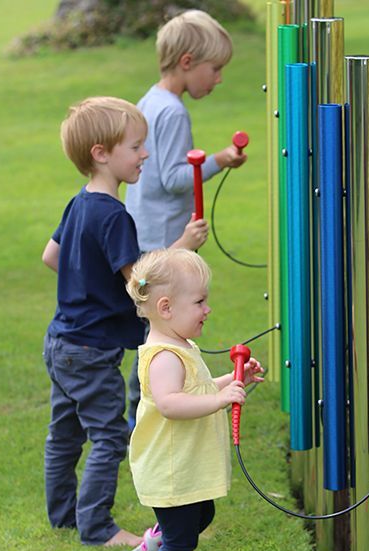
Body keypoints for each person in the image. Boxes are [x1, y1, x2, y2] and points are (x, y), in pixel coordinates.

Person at [41, 96, 189, 547]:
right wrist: (182, 246)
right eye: (136, 146)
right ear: (101, 154)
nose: (144, 154)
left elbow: (52, 257)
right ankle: (97, 528)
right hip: (92, 352)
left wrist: (88, 282)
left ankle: (64, 515)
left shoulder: (79, 204)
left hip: (61, 342)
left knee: (64, 434)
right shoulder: (114, 216)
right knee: (107, 436)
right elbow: (139, 283)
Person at [124, 9, 247, 430]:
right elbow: (176, 178)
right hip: (163, 239)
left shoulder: (150, 97)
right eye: (215, 70)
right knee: (162, 328)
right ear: (188, 63)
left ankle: (143, 408)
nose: (218, 79)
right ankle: (150, 409)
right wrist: (218, 160)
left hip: (143, 228)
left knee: (149, 328)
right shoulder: (173, 111)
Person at [121, 248, 263, 551]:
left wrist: (232, 379)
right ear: (166, 308)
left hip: (182, 465)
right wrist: (219, 400)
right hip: (171, 468)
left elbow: (195, 389)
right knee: (182, 538)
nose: (207, 309)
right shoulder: (165, 357)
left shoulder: (178, 344)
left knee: (202, 515)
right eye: (199, 301)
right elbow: (171, 403)